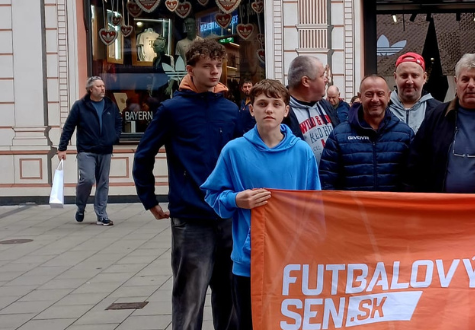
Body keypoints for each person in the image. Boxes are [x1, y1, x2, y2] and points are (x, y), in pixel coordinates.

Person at [133, 38, 240, 330]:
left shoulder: (231, 110)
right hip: (191, 218)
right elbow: (143, 155)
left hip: (229, 216)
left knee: (230, 298)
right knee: (189, 299)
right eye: (207, 66)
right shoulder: (172, 110)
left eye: (218, 65)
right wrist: (149, 199)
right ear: (190, 70)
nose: (215, 71)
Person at [202, 79, 320, 330]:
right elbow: (213, 195)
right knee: (250, 323)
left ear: (286, 111)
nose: (269, 109)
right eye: (262, 104)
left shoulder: (302, 152)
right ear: (251, 109)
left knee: (289, 325)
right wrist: (236, 199)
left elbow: (315, 207)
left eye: (276, 104)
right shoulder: (234, 151)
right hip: (249, 261)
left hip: (291, 259)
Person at [404, 53, 475, 193]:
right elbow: (415, 164)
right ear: (456, 82)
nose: (471, 85)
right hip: (441, 204)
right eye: (465, 79)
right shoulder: (436, 116)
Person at [319, 76, 414, 191]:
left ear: (388, 96)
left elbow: (414, 179)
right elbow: (327, 181)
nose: (375, 99)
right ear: (360, 97)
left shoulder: (405, 134)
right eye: (369, 94)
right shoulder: (339, 136)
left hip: (393, 203)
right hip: (352, 203)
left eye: (380, 94)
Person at [57, 76, 122, 226]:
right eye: (98, 86)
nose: (102, 88)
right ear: (90, 89)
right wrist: (62, 148)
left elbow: (118, 122)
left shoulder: (110, 105)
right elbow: (69, 127)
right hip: (86, 150)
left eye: (103, 86)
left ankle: (102, 215)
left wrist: (114, 137)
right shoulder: (80, 106)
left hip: (105, 149)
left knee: (103, 182)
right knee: (87, 179)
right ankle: (81, 206)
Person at [283, 55, 337, 161]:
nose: (326, 80)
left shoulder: (326, 106)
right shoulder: (282, 114)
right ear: (306, 81)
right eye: (322, 75)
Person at [388, 52, 442, 133]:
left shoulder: (438, 110)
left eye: (415, 76)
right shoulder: (382, 107)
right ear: (395, 77)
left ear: (424, 78)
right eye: (404, 76)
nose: (409, 81)